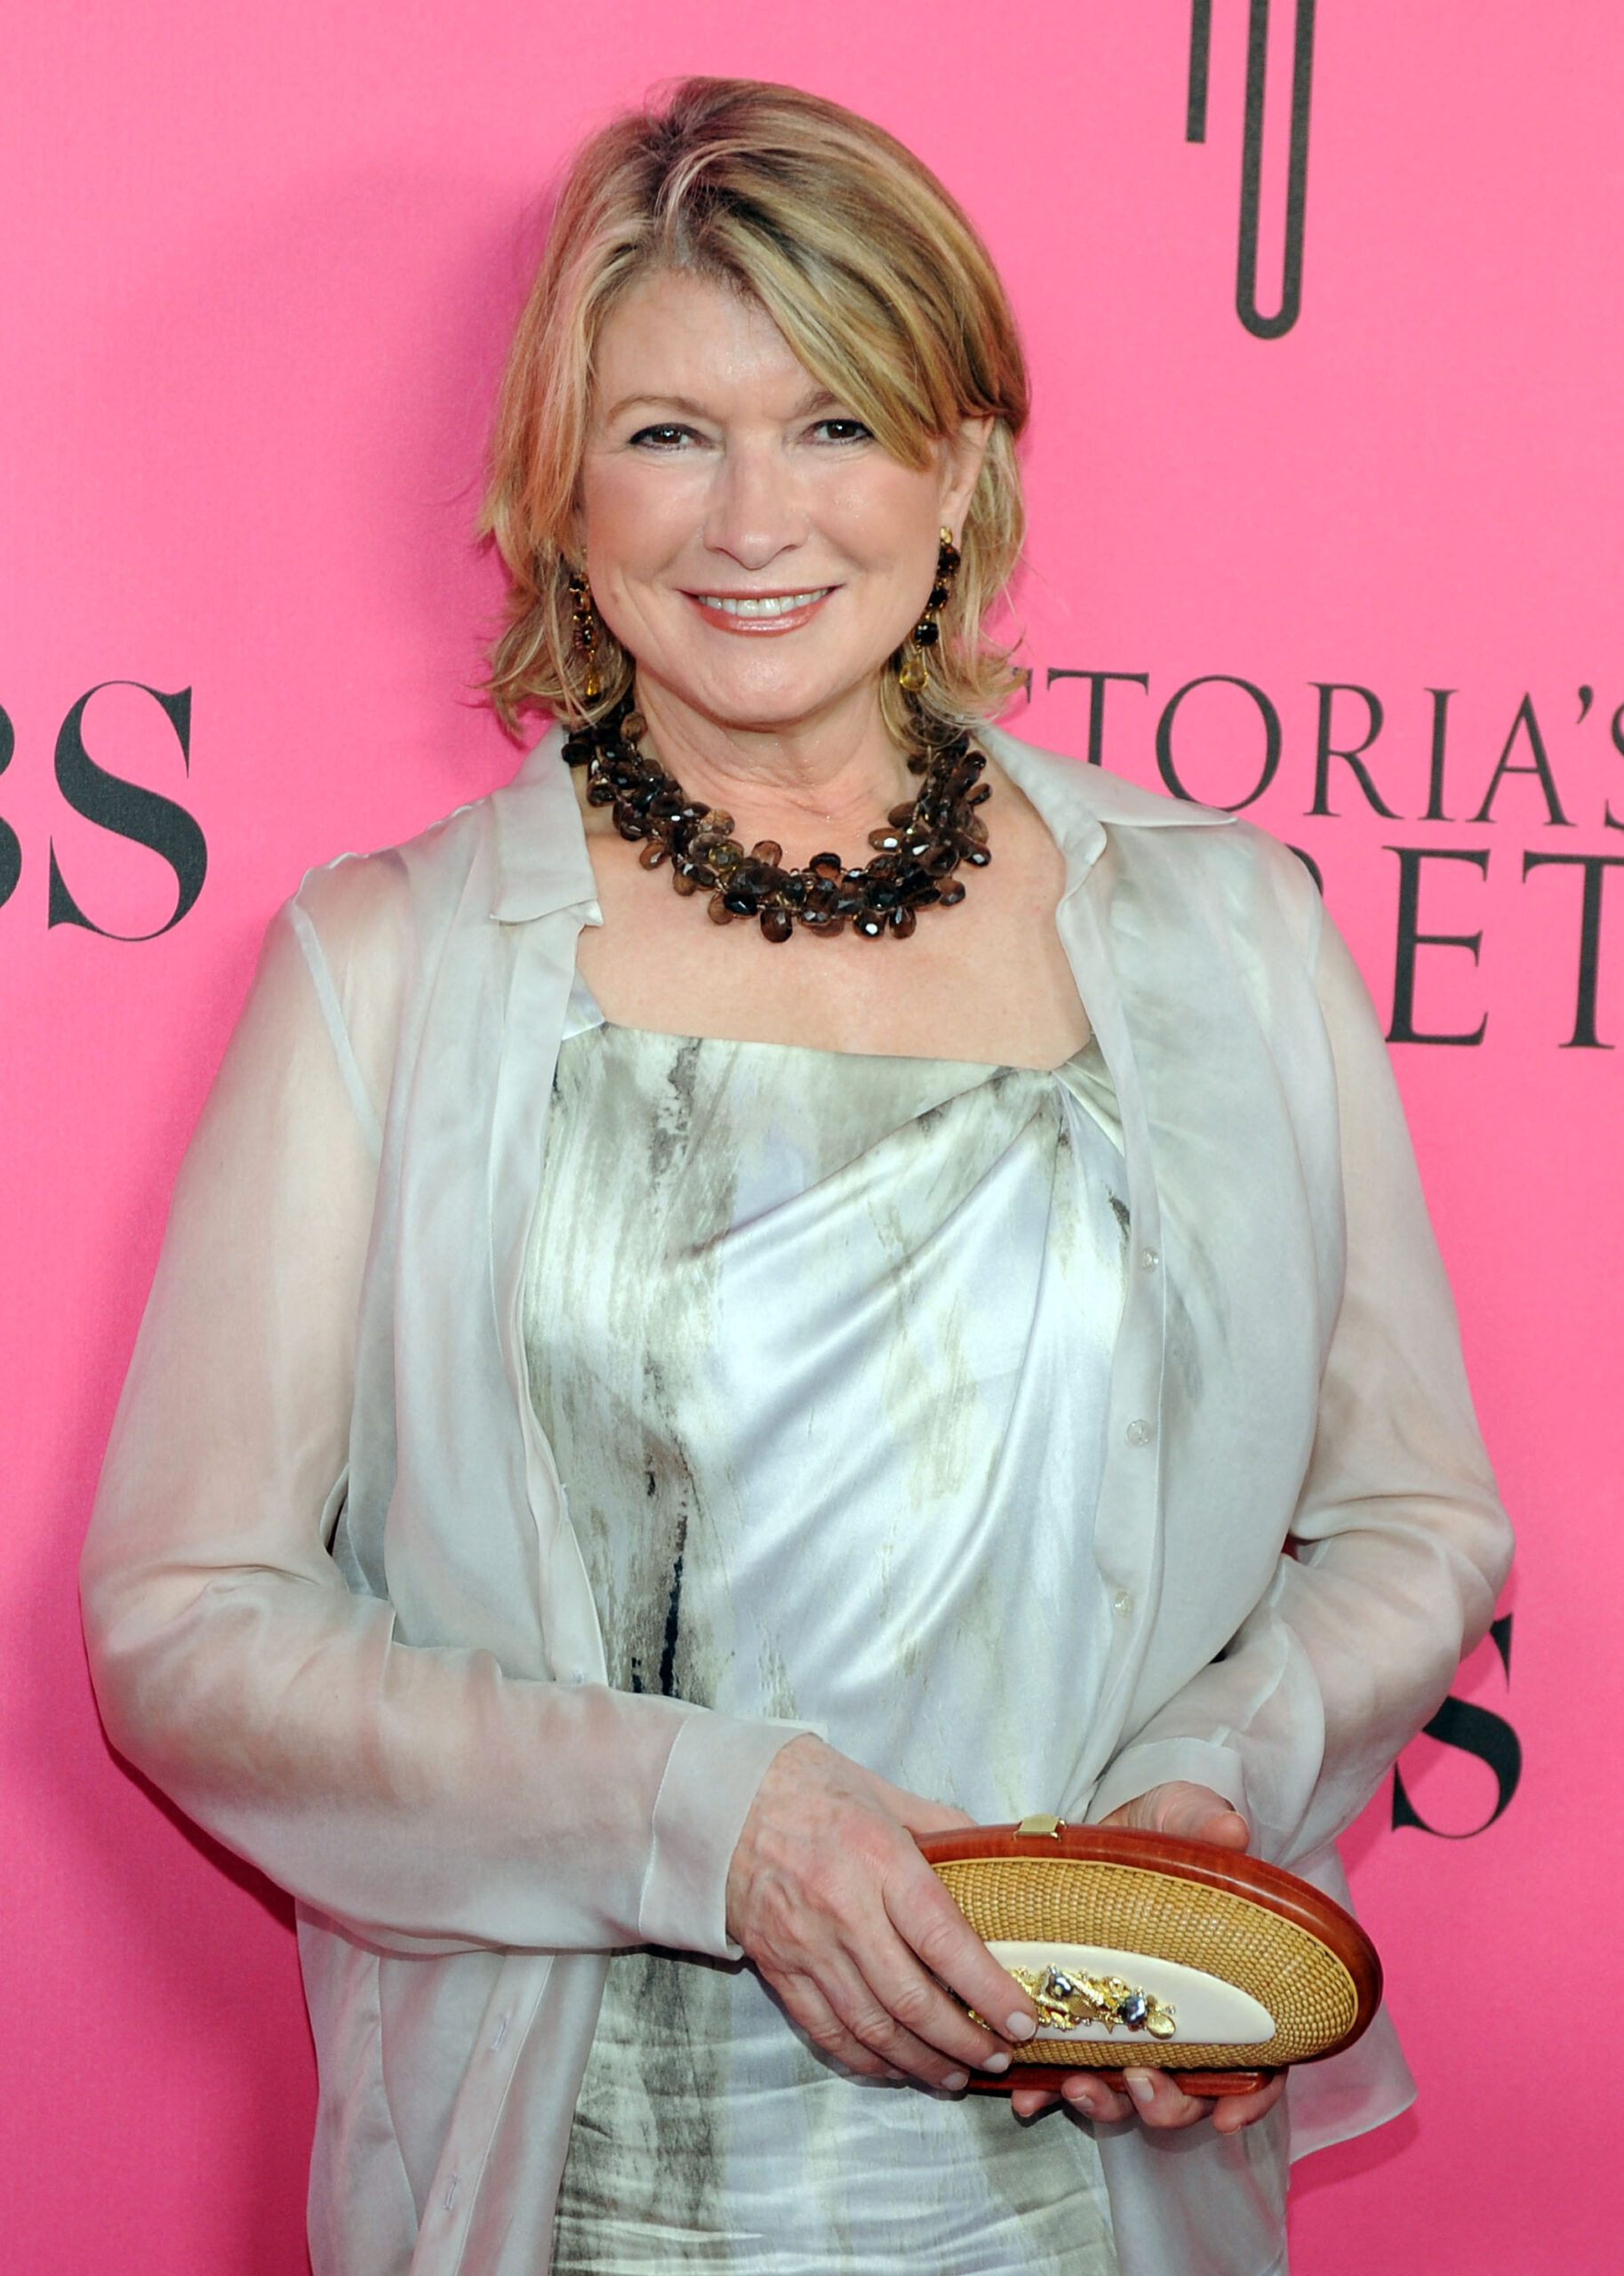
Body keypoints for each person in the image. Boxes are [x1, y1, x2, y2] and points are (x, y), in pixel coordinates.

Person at [81, 76, 1512, 2276]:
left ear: (962, 468)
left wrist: (1205, 1801)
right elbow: (188, 1623)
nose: (753, 514)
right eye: (667, 430)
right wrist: (704, 1818)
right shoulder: (390, 964)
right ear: (559, 489)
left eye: (834, 419)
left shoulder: (1223, 932)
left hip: (1086, 2164)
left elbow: (1409, 1520)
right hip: (575, 2179)